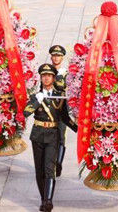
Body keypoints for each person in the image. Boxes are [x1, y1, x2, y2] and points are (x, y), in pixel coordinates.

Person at [23, 63, 77, 211]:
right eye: (44, 76)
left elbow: (66, 118)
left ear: (53, 78)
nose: (46, 78)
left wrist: (79, 130)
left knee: (49, 169)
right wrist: (36, 101)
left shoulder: (59, 97)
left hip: (53, 135)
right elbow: (25, 113)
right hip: (38, 135)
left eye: (49, 76)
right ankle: (43, 198)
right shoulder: (35, 96)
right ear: (41, 78)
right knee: (39, 170)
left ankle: (48, 201)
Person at [48, 44, 68, 176]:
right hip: (48, 108)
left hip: (61, 108)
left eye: (59, 56)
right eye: (54, 56)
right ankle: (50, 162)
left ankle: (58, 163)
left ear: (62, 57)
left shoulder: (66, 73)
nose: (56, 58)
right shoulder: (46, 71)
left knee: (61, 135)